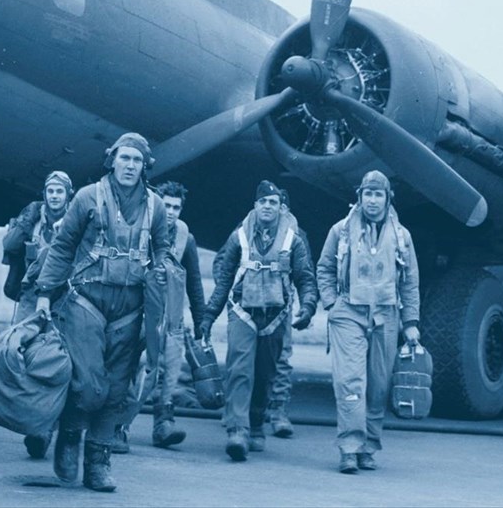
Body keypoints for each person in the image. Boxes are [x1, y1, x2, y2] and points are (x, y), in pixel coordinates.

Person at [35, 133, 169, 492]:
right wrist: (44, 293)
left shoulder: (155, 207)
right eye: (124, 158)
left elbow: (162, 253)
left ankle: (98, 463)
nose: (130, 166)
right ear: (112, 160)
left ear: (144, 166)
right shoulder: (87, 197)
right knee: (89, 385)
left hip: (131, 308)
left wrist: (160, 294)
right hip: (86, 300)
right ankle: (69, 435)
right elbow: (62, 247)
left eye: (136, 160)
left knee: (116, 390)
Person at [201, 180, 317, 462]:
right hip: (242, 312)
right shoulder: (239, 237)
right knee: (239, 370)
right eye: (263, 202)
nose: (267, 206)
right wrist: (208, 316)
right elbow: (224, 280)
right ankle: (237, 431)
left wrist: (308, 308)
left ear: (280, 207)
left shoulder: (293, 240)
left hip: (276, 316)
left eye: (273, 202)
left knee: (265, 374)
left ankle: (255, 424)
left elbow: (305, 278)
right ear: (255, 205)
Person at [316, 170, 420, 474]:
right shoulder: (340, 231)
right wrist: (332, 304)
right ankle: (349, 448)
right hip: (349, 311)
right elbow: (324, 268)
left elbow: (410, 282)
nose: (372, 201)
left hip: (387, 314)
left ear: (388, 198)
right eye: (368, 194)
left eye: (378, 194)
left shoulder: (402, 237)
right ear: (359, 197)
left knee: (378, 385)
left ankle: (369, 446)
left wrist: (411, 322)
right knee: (350, 381)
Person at [113, 181, 206, 453]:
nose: (172, 212)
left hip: (172, 316)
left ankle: (163, 424)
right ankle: (119, 427)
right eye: (167, 206)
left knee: (172, 372)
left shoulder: (185, 239)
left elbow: (194, 283)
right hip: (138, 313)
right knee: (137, 370)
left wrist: (201, 322)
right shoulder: (139, 231)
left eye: (176, 207)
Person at [2, 170, 74, 459]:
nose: (54, 196)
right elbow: (9, 245)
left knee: (57, 362)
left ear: (68, 195)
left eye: (59, 191)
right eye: (50, 191)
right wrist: (26, 220)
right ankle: (34, 423)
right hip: (31, 297)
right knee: (25, 357)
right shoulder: (33, 218)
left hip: (64, 299)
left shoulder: (75, 220)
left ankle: (46, 429)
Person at [264, 188, 314, 438]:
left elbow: (305, 275)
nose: (276, 210)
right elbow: (224, 262)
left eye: (280, 205)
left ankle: (278, 411)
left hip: (281, 306)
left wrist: (307, 306)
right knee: (246, 360)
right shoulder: (248, 229)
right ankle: (241, 412)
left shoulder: (297, 236)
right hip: (248, 307)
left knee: (282, 358)